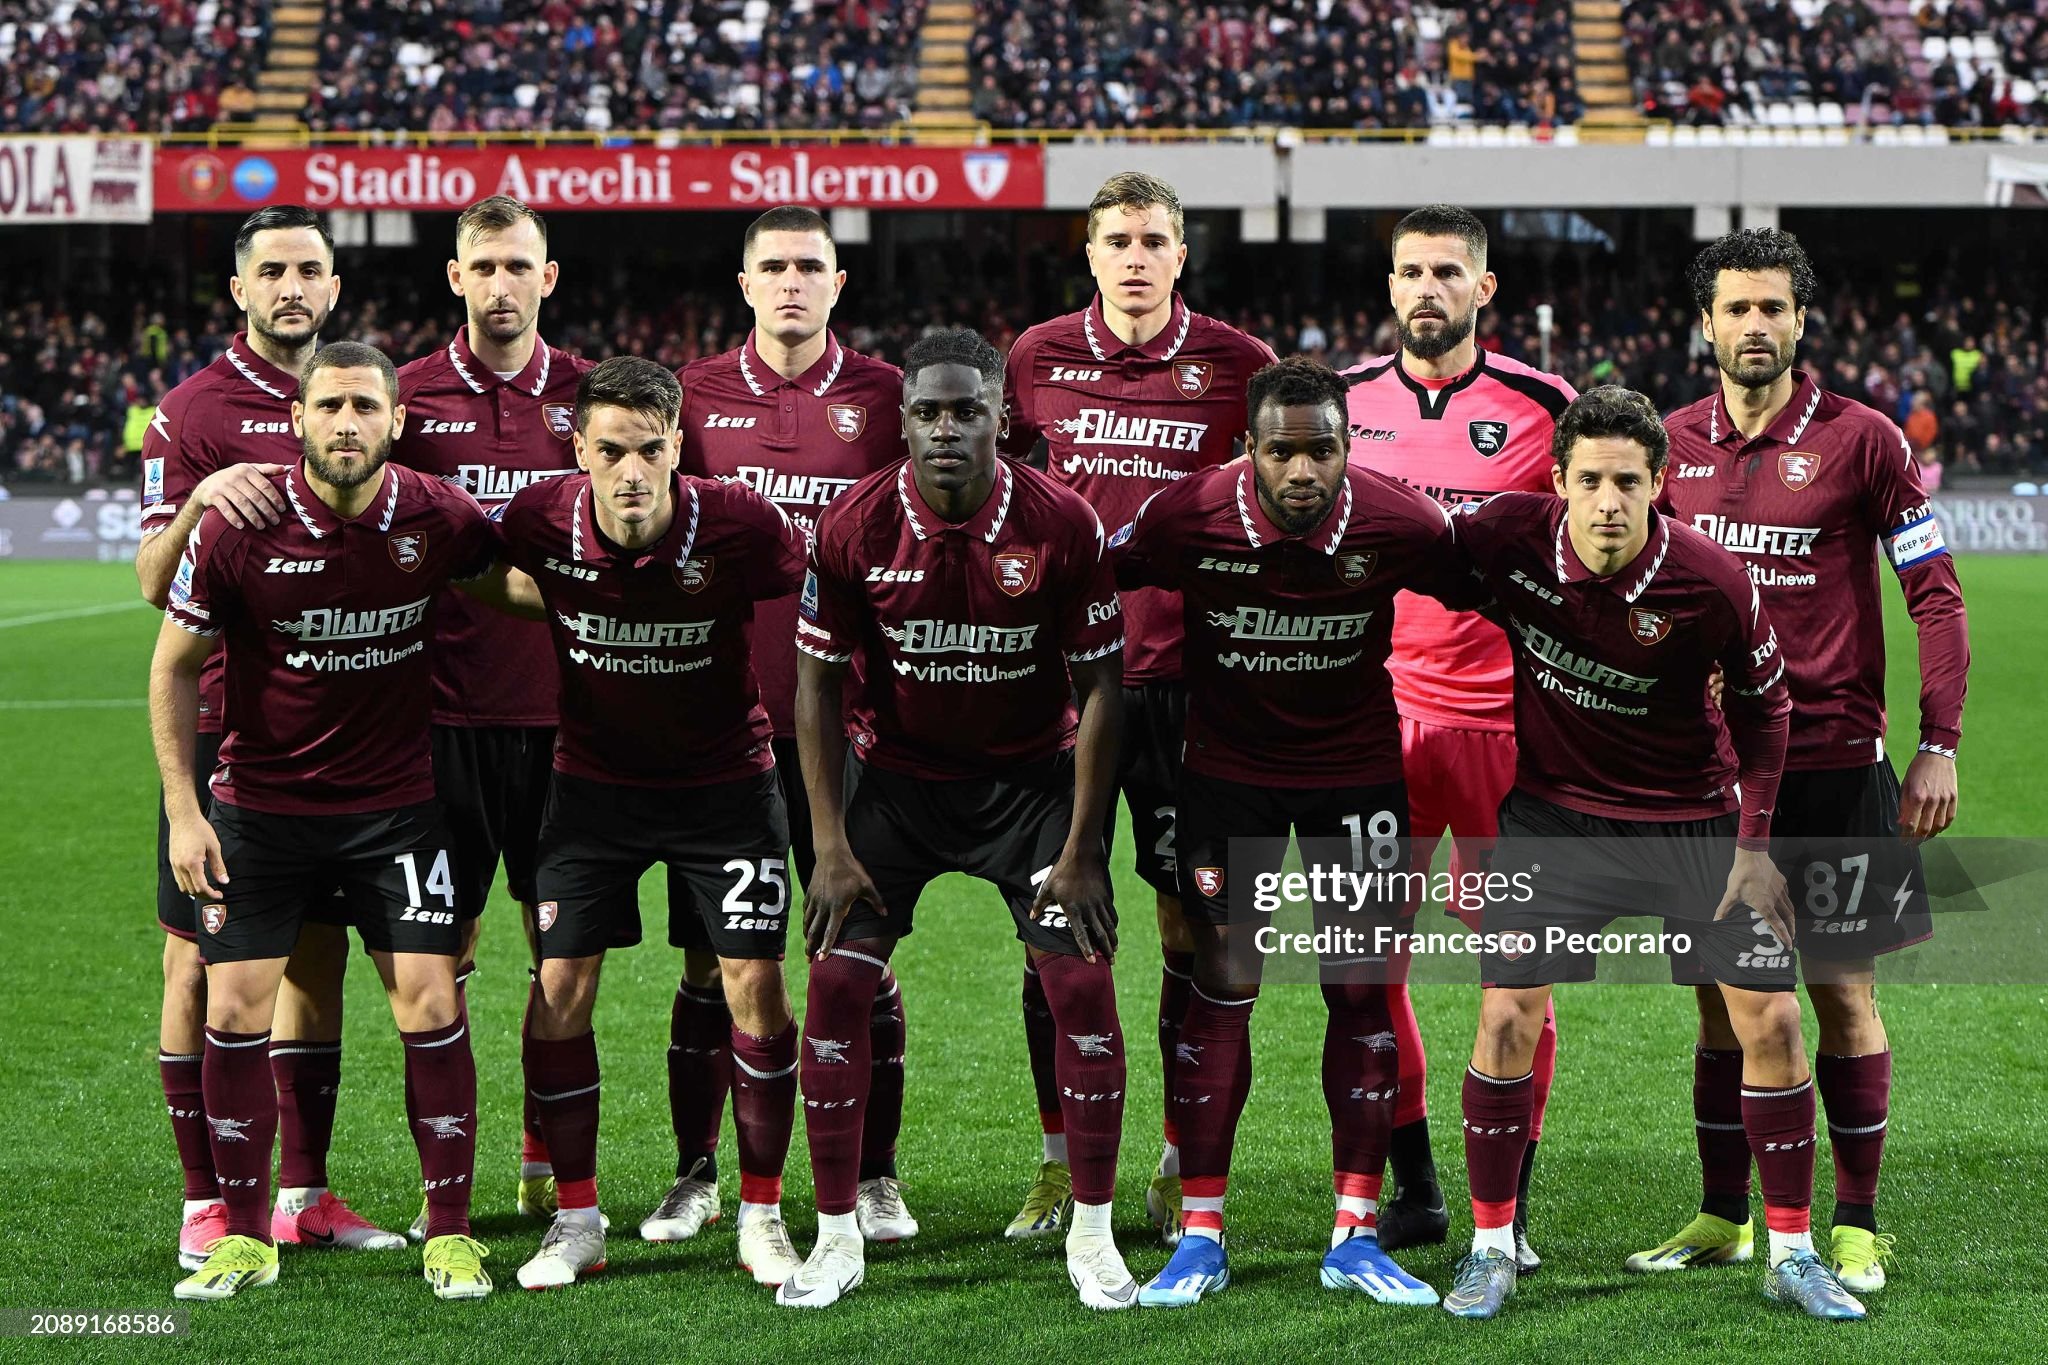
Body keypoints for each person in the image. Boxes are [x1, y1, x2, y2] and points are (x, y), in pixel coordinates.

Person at [1442, 386, 1864, 1323]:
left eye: (1626, 481)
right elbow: (1415, 551)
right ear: (1557, 481)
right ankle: (1490, 1244)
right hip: (1554, 818)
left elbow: (1768, 712)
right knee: (1506, 1015)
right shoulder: (1507, 538)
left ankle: (1791, 1249)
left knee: (1776, 1023)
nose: (1606, 501)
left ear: (1658, 484)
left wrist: (1754, 848)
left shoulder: (1710, 582)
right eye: (1587, 480)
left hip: (1692, 820)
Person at [1112, 357, 1487, 1309]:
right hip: (1225, 782)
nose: (1303, 470)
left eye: (1323, 449)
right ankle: (1200, 1235)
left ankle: (1355, 1235)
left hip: (1354, 779)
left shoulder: (1401, 521)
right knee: (1223, 986)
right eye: (1282, 450)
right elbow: (1092, 575)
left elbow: (1499, 585)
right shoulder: (1185, 515)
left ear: (1348, 446)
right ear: (1251, 449)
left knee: (1361, 994)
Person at [152, 342, 522, 1301]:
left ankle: (450, 1235)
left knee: (433, 1004)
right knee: (235, 1011)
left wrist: (619, 583)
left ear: (396, 421)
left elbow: (510, 583)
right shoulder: (242, 524)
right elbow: (172, 665)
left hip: (395, 813)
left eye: (365, 406)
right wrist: (186, 812)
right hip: (259, 811)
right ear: (300, 420)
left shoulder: (435, 515)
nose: (346, 422)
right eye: (329, 407)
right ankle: (241, 1234)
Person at [1642, 227, 1969, 1293]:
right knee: (1712, 996)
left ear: (1798, 319)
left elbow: (1933, 591)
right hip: (1704, 772)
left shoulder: (1863, 440)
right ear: (1704, 324)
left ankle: (1856, 1222)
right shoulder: (1670, 443)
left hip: (1829, 761)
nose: (1753, 326)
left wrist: (1935, 744)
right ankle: (1716, 1215)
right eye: (1734, 309)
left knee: (1840, 992)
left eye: (1771, 308)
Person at [784, 330, 1134, 1309]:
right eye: (928, 413)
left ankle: (1094, 1235)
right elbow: (810, 685)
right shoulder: (852, 524)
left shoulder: (1060, 524)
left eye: (966, 411)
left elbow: (1106, 686)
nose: (946, 429)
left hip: (1028, 787)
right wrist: (828, 843)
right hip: (892, 788)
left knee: (1079, 985)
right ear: (900, 424)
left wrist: (1083, 849)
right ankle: (836, 1235)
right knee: (835, 988)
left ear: (1000, 418)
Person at [486, 357, 816, 1292]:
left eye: (650, 449)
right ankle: (578, 1217)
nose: (631, 470)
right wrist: (555, 600)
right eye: (611, 451)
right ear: (578, 450)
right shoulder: (539, 517)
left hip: (727, 788)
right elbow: (474, 567)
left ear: (678, 446)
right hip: (592, 791)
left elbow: (815, 585)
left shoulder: (745, 524)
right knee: (559, 988)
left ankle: (759, 1213)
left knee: (755, 982)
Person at [1001, 170, 1275, 1245]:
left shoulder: (1237, 367)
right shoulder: (1033, 358)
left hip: (1183, 689)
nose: (1133, 256)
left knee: (1188, 926)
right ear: (1089, 253)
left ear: (1179, 255)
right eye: (1115, 239)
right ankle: (1059, 1162)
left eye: (1152, 239)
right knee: (1050, 926)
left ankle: (1173, 1161)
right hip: (1055, 686)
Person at [134, 205, 399, 1269]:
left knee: (315, 958)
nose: (294, 285)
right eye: (273, 270)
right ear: (239, 290)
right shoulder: (190, 413)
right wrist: (201, 498)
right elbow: (152, 584)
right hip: (218, 728)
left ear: (334, 286)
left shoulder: (364, 389)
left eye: (312, 269)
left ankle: (307, 1192)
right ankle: (205, 1198)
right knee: (197, 957)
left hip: (335, 731)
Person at [670, 205, 916, 1247]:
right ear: (742, 281)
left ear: (837, 282)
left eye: (807, 266)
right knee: (708, 963)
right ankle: (694, 1176)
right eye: (771, 266)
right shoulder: (692, 396)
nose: (789, 282)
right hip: (722, 726)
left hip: (851, 726)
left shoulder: (887, 397)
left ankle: (872, 1178)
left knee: (855, 960)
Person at [1340, 204, 1577, 1270]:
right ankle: (1419, 1186)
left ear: (1484, 289)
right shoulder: (1342, 405)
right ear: (1387, 287)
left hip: (1507, 732)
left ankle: (1508, 1204)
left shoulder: (1542, 406)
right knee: (1364, 971)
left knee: (1512, 977)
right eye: (1408, 271)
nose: (1424, 288)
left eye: (1445, 272)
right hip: (1377, 724)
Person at [391, 195, 593, 1229]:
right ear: (456, 278)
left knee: (561, 958)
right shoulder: (404, 400)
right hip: (439, 722)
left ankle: (543, 1163)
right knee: (444, 955)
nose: (502, 283)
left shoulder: (594, 398)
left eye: (521, 265)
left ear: (546, 278)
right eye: (485, 266)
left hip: (571, 722)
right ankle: (451, 1186)